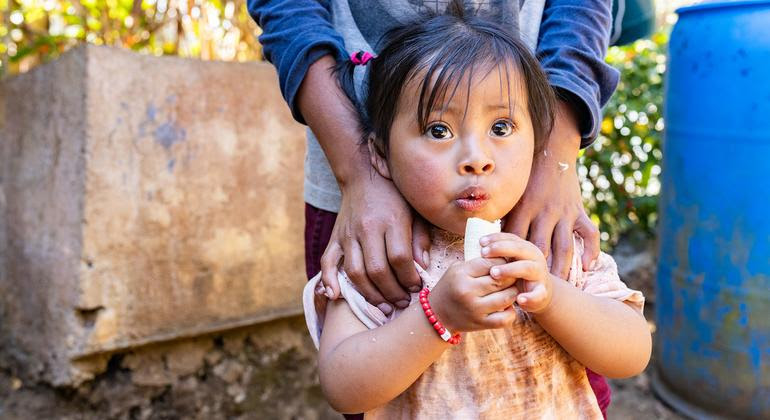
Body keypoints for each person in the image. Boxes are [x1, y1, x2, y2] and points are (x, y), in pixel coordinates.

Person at [248, 0, 620, 415]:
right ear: (380, 154)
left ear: (538, 140)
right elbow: (343, 387)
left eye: (501, 127)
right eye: (438, 130)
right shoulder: (380, 260)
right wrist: (435, 315)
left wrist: (552, 298)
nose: (476, 157)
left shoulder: (552, 246)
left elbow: (630, 351)